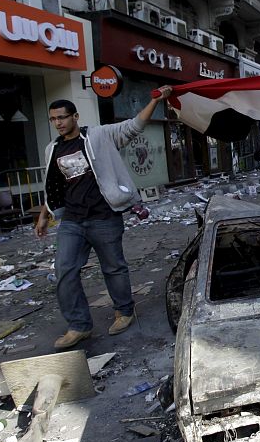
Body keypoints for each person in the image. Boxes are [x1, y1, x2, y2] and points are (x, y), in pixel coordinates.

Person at [35, 86, 172, 350]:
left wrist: (154, 100)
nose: (58, 123)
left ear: (75, 117)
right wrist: (44, 216)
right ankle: (79, 326)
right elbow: (52, 185)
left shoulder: (98, 135)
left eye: (62, 117)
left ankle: (124, 311)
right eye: (53, 119)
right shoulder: (51, 149)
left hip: (104, 216)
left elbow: (134, 126)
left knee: (113, 267)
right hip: (72, 220)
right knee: (64, 270)